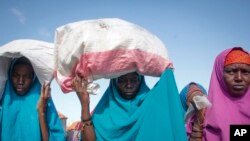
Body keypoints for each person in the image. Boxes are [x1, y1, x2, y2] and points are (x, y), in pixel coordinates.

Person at [72, 68, 188, 141]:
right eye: (122, 80)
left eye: (133, 80)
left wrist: (167, 72)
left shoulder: (149, 105)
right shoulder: (104, 112)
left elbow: (167, 85)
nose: (129, 85)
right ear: (114, 83)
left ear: (141, 81)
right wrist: (85, 106)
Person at [189, 47, 250, 141]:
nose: (239, 78)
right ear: (219, 74)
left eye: (245, 72)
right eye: (231, 71)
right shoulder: (203, 110)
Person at [0, 57, 66, 141]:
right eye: (16, 75)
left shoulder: (43, 99)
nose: (20, 81)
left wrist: (41, 112)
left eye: (27, 77)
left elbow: (57, 137)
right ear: (10, 76)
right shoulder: (4, 99)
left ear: (33, 78)